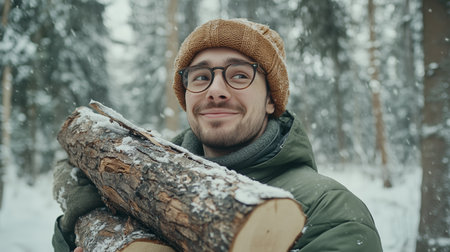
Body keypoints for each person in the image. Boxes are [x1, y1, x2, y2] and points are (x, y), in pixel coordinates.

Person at [52, 18, 383, 251]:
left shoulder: (329, 210)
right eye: (200, 77)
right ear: (187, 98)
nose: (216, 91)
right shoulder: (139, 185)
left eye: (239, 75)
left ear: (271, 101)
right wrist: (79, 226)